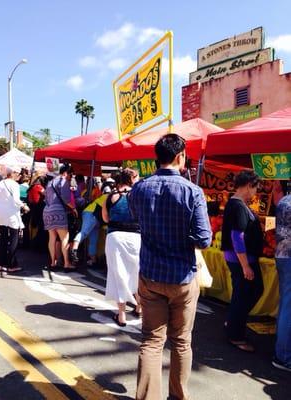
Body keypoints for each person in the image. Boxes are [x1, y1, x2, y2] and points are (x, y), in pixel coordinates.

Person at [129, 134, 212, 400]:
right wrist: (180, 237)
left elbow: (137, 219)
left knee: (151, 342)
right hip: (182, 277)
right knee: (181, 341)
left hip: (151, 274)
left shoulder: (139, 189)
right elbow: (204, 239)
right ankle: (178, 396)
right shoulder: (192, 191)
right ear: (180, 157)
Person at [221, 170, 264, 352]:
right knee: (246, 293)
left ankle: (233, 322)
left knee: (248, 292)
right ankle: (235, 334)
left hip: (242, 258)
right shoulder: (238, 205)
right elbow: (237, 236)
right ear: (248, 186)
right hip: (241, 259)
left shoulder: (238, 204)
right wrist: (245, 265)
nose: (256, 192)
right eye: (255, 188)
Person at [102, 168, 141, 327]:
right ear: (132, 178)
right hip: (136, 238)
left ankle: (122, 315)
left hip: (115, 237)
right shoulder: (138, 196)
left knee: (118, 274)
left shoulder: (110, 196)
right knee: (138, 273)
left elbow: (105, 218)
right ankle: (139, 307)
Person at [70, 180, 115, 266]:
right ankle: (74, 250)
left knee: (93, 239)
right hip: (91, 214)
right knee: (85, 232)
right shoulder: (109, 197)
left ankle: (93, 260)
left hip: (94, 216)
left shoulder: (104, 196)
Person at [0, 167, 29, 272]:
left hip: (0, 212)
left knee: (3, 239)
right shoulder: (14, 184)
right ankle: (11, 265)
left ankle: (0, 263)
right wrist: (24, 206)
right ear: (12, 173)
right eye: (17, 173)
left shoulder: (1, 183)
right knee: (14, 238)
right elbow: (16, 200)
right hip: (11, 214)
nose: (19, 175)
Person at [43, 164, 77, 272]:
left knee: (51, 238)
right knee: (64, 238)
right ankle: (67, 264)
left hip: (47, 211)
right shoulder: (63, 181)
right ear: (66, 173)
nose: (71, 177)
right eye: (71, 174)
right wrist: (74, 208)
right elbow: (66, 198)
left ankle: (53, 263)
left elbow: (46, 198)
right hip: (59, 211)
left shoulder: (50, 182)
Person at [272, 193, 291, 372]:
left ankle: (281, 349)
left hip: (282, 255)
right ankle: (283, 356)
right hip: (289, 258)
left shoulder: (284, 201)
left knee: (285, 303)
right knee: (288, 306)